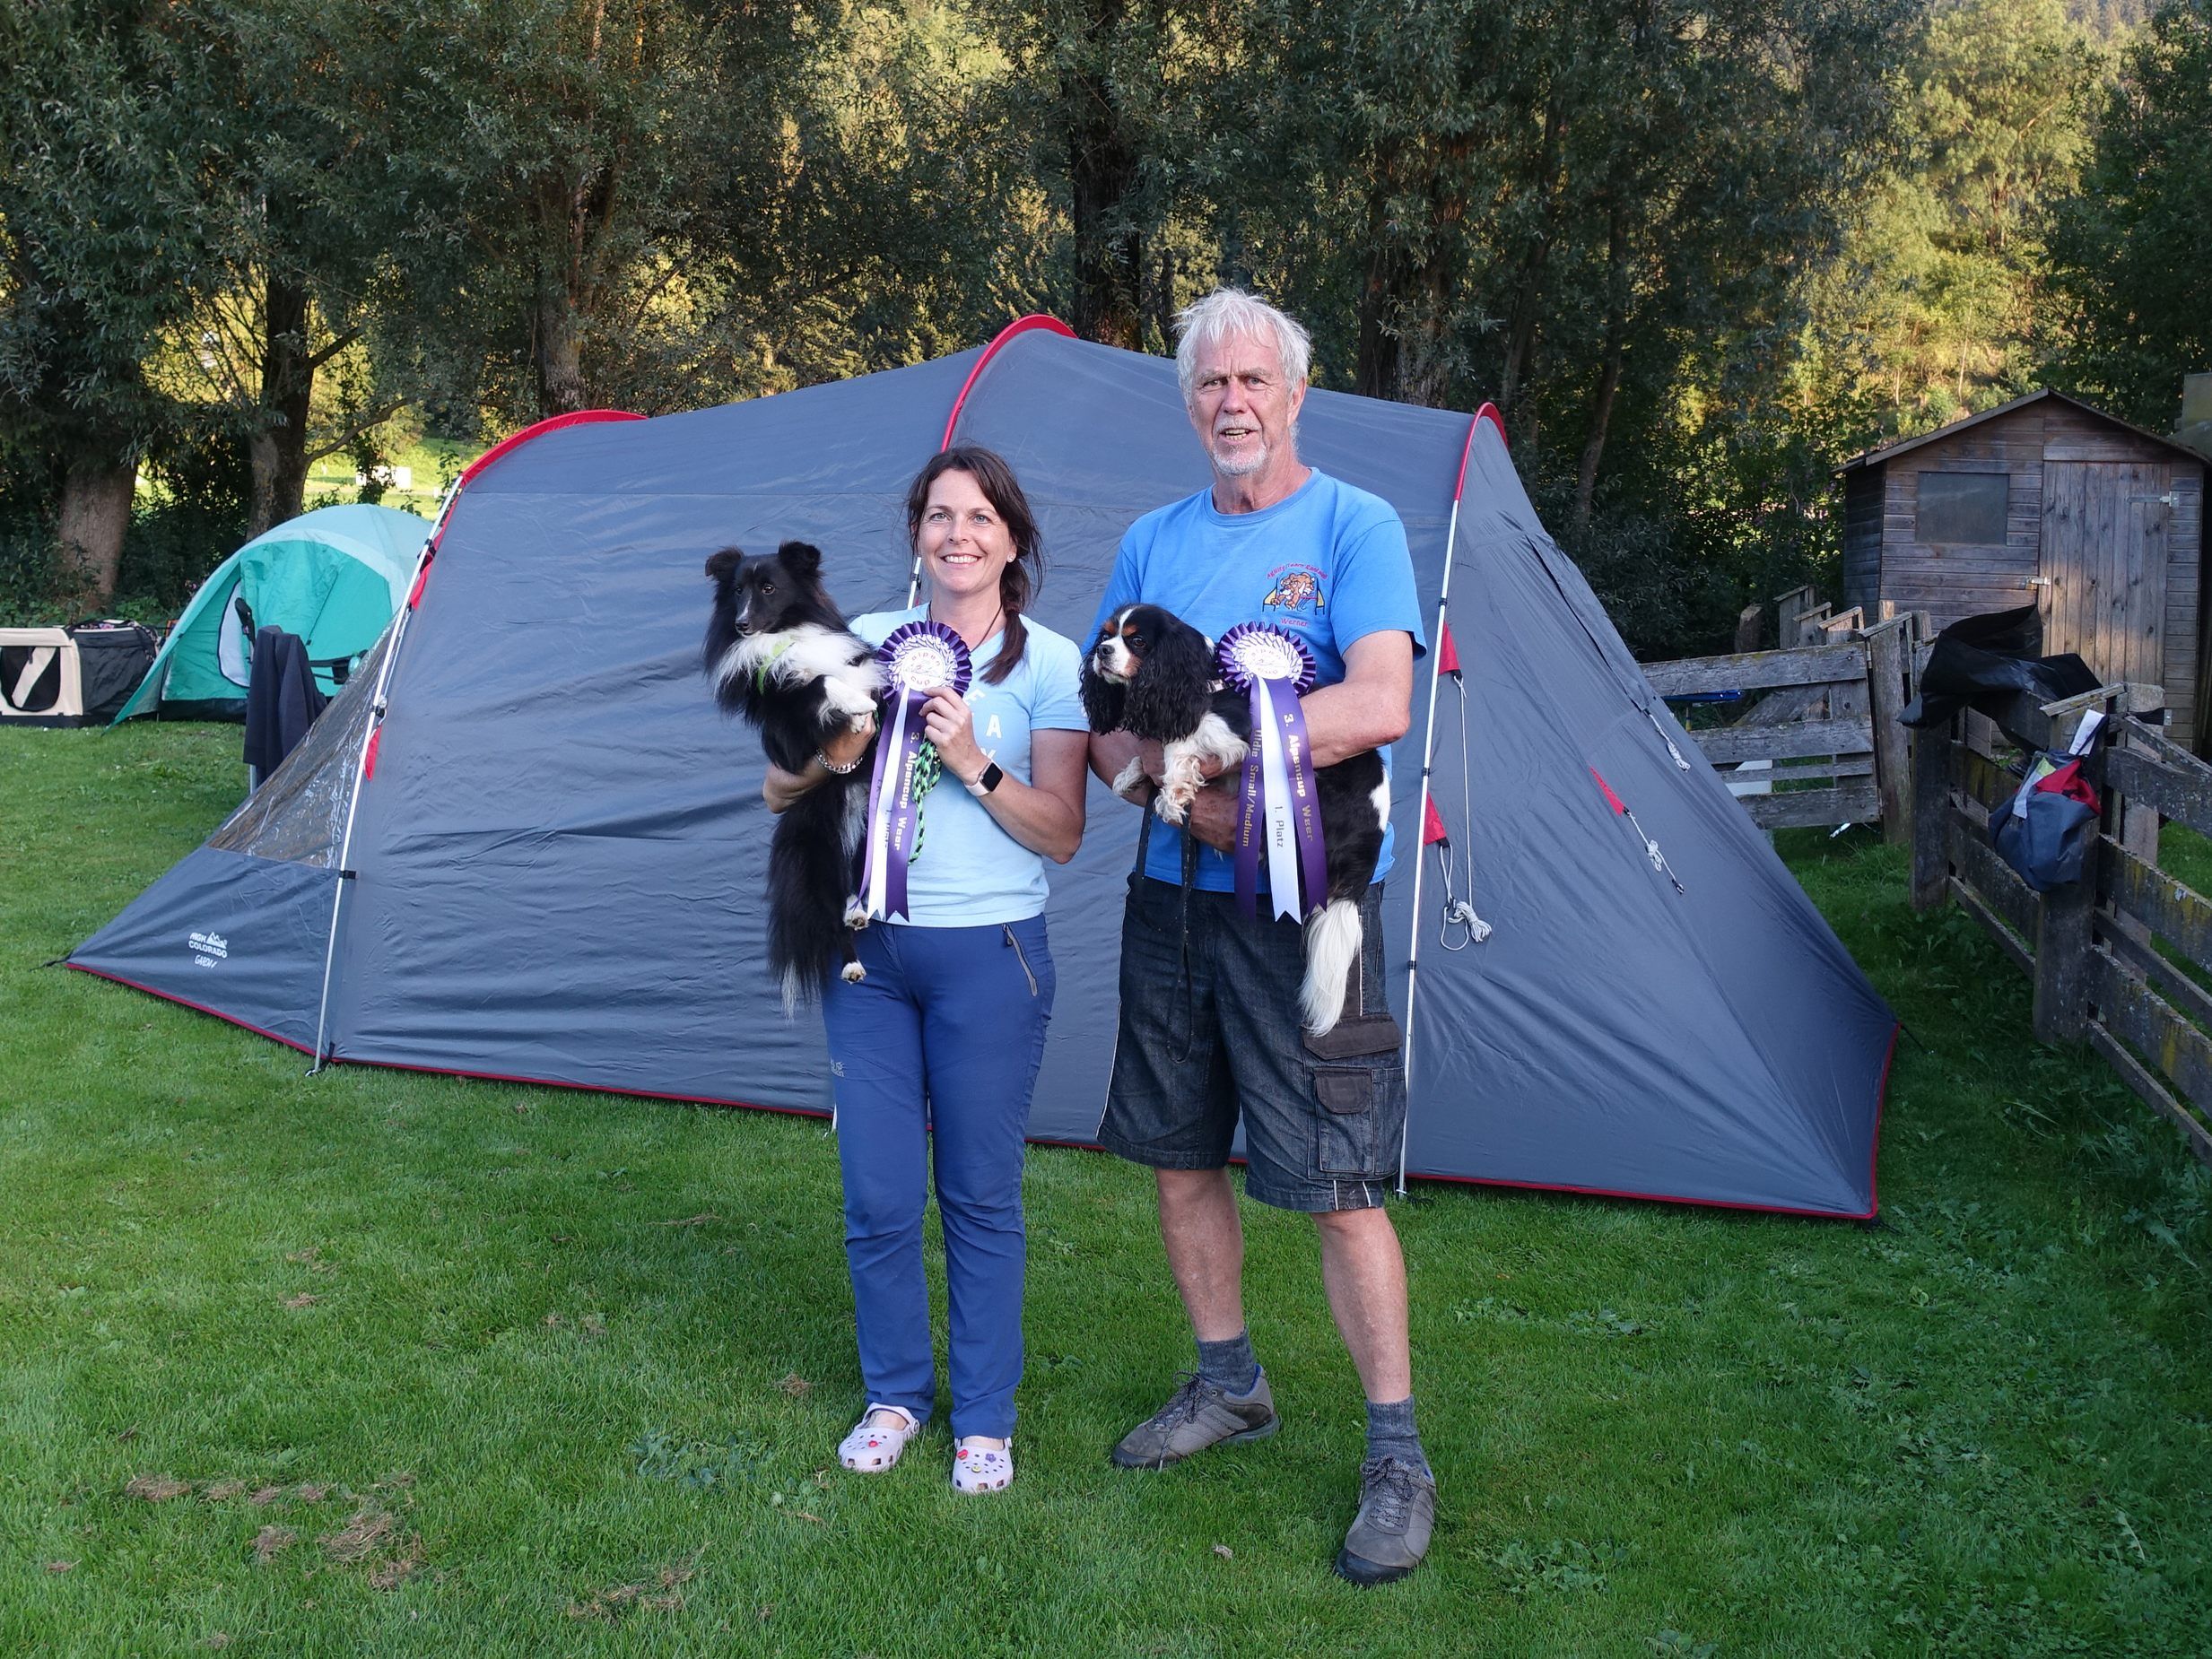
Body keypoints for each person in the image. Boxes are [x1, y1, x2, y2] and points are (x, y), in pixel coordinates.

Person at [1086, 289, 1435, 1583]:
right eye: (1208, 386)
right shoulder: (1149, 539)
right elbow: (1108, 701)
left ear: (1293, 394)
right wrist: (1151, 785)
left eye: (1252, 382)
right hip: (1169, 897)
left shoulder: (1354, 526)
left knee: (1337, 1182)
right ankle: (1228, 1383)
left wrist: (1245, 797)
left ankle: (1396, 1454)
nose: (1231, 403)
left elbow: (1381, 698)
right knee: (1181, 1155)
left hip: (1307, 901)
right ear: (1190, 405)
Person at [764, 446, 1088, 1494]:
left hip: (992, 958)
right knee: (878, 1193)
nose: (958, 533)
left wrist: (973, 764)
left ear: (1012, 536)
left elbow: (1064, 833)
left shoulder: (1050, 663)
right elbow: (777, 786)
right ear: (917, 533)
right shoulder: (858, 645)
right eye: (939, 515)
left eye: (980, 517)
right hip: (871, 958)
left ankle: (984, 1417)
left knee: (981, 1194)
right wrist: (833, 756)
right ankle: (896, 1393)